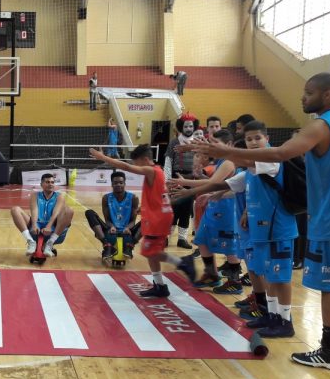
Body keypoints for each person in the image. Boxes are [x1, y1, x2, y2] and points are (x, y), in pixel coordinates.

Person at [186, 73, 330, 370]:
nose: (302, 97)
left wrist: (225, 151)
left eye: (309, 92)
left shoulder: (321, 126)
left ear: (327, 95)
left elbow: (282, 153)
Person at [90, 145, 195, 297]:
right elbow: (159, 196)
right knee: (151, 253)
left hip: (158, 219)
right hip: (158, 216)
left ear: (145, 160)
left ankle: (182, 263)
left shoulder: (151, 171)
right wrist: (144, 208)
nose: (136, 166)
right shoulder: (157, 172)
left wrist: (103, 158)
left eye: (137, 163)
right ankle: (160, 286)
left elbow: (125, 166)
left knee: (149, 252)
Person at [169, 129, 243, 291]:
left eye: (216, 143)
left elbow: (213, 184)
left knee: (229, 246)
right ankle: (212, 275)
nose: (212, 147)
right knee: (202, 240)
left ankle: (235, 282)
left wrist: (186, 184)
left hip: (227, 208)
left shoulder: (228, 162)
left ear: (229, 144)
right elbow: (214, 183)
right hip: (215, 205)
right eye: (211, 143)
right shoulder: (220, 161)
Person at [11, 173, 73, 257]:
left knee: (69, 210)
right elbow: (34, 210)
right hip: (36, 227)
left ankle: (50, 243)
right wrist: (34, 225)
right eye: (47, 182)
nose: (50, 184)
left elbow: (56, 213)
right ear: (41, 184)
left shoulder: (59, 196)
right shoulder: (35, 195)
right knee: (15, 210)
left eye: (52, 182)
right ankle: (31, 241)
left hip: (53, 228)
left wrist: (49, 226)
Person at [84, 171, 141, 262]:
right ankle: (107, 245)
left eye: (121, 183)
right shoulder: (106, 198)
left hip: (128, 231)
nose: (118, 185)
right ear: (112, 184)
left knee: (148, 219)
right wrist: (112, 226)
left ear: (125, 183)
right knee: (89, 213)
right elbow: (107, 219)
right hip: (111, 230)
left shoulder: (133, 198)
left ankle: (130, 246)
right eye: (115, 183)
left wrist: (127, 228)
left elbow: (133, 221)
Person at [163, 114, 199, 249]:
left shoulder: (197, 142)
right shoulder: (174, 142)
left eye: (191, 126)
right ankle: (166, 237)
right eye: (186, 126)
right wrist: (167, 181)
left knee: (186, 210)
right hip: (175, 179)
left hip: (191, 181)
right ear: (181, 127)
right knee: (173, 209)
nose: (189, 128)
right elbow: (168, 162)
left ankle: (182, 239)